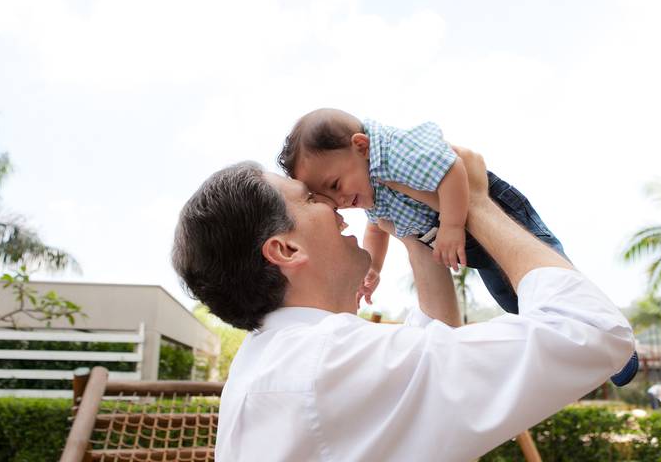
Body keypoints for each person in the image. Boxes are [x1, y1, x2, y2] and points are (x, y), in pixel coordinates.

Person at [172, 148, 635, 461]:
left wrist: (412, 226)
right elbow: (593, 332)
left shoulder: (271, 360)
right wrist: (475, 201)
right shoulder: (328, 361)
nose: (335, 205)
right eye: (310, 199)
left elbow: (431, 349)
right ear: (286, 250)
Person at [276, 107, 638, 387]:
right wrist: (373, 267)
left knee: (542, 265)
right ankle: (588, 353)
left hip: (486, 207)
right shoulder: (366, 186)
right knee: (512, 298)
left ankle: (610, 338)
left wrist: (451, 225)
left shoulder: (393, 154)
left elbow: (454, 169)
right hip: (463, 233)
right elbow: (377, 227)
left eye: (337, 184)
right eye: (331, 199)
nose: (341, 200)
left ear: (361, 145)